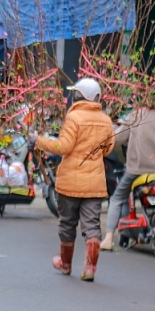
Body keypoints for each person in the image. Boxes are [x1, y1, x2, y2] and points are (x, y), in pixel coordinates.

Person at [31, 78, 114, 282]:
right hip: (95, 183)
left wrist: (39, 140)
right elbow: (108, 149)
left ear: (80, 96)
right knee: (92, 226)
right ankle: (90, 269)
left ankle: (66, 264)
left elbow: (64, 147)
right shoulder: (106, 120)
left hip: (70, 182)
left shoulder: (74, 117)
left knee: (67, 224)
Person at [102, 87, 155, 250]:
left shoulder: (137, 115)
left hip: (137, 171)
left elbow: (116, 139)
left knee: (117, 198)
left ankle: (108, 238)